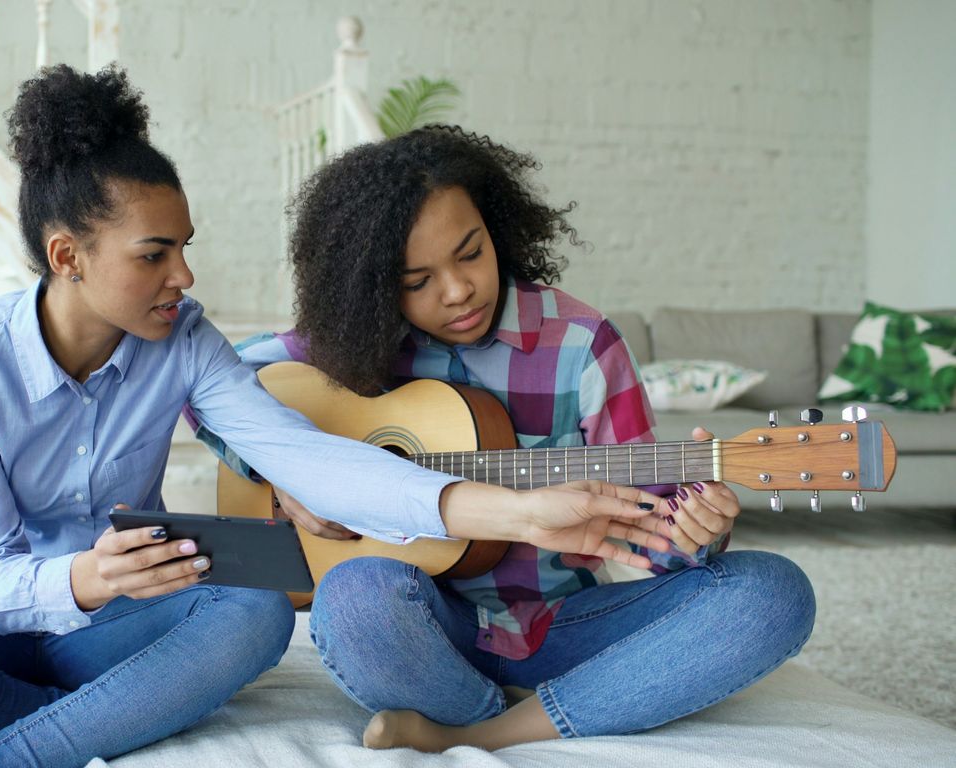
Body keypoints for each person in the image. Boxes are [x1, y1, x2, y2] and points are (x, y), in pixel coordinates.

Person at [0, 69, 673, 768]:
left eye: (184, 246)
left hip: (126, 626)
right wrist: (86, 578)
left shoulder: (185, 344)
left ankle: (1, 757)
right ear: (67, 257)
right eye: (155, 254)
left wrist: (525, 512)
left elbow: (317, 459)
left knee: (257, 613)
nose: (184, 275)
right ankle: (86, 719)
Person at [192, 125, 817, 752]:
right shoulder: (348, 347)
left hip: (562, 624)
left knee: (770, 592)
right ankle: (540, 709)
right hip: (426, 626)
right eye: (416, 281)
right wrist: (289, 475)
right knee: (352, 598)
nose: (458, 290)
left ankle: (485, 731)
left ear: (497, 228)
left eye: (470, 253)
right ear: (374, 287)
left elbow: (653, 540)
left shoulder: (581, 346)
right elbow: (204, 387)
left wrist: (694, 532)